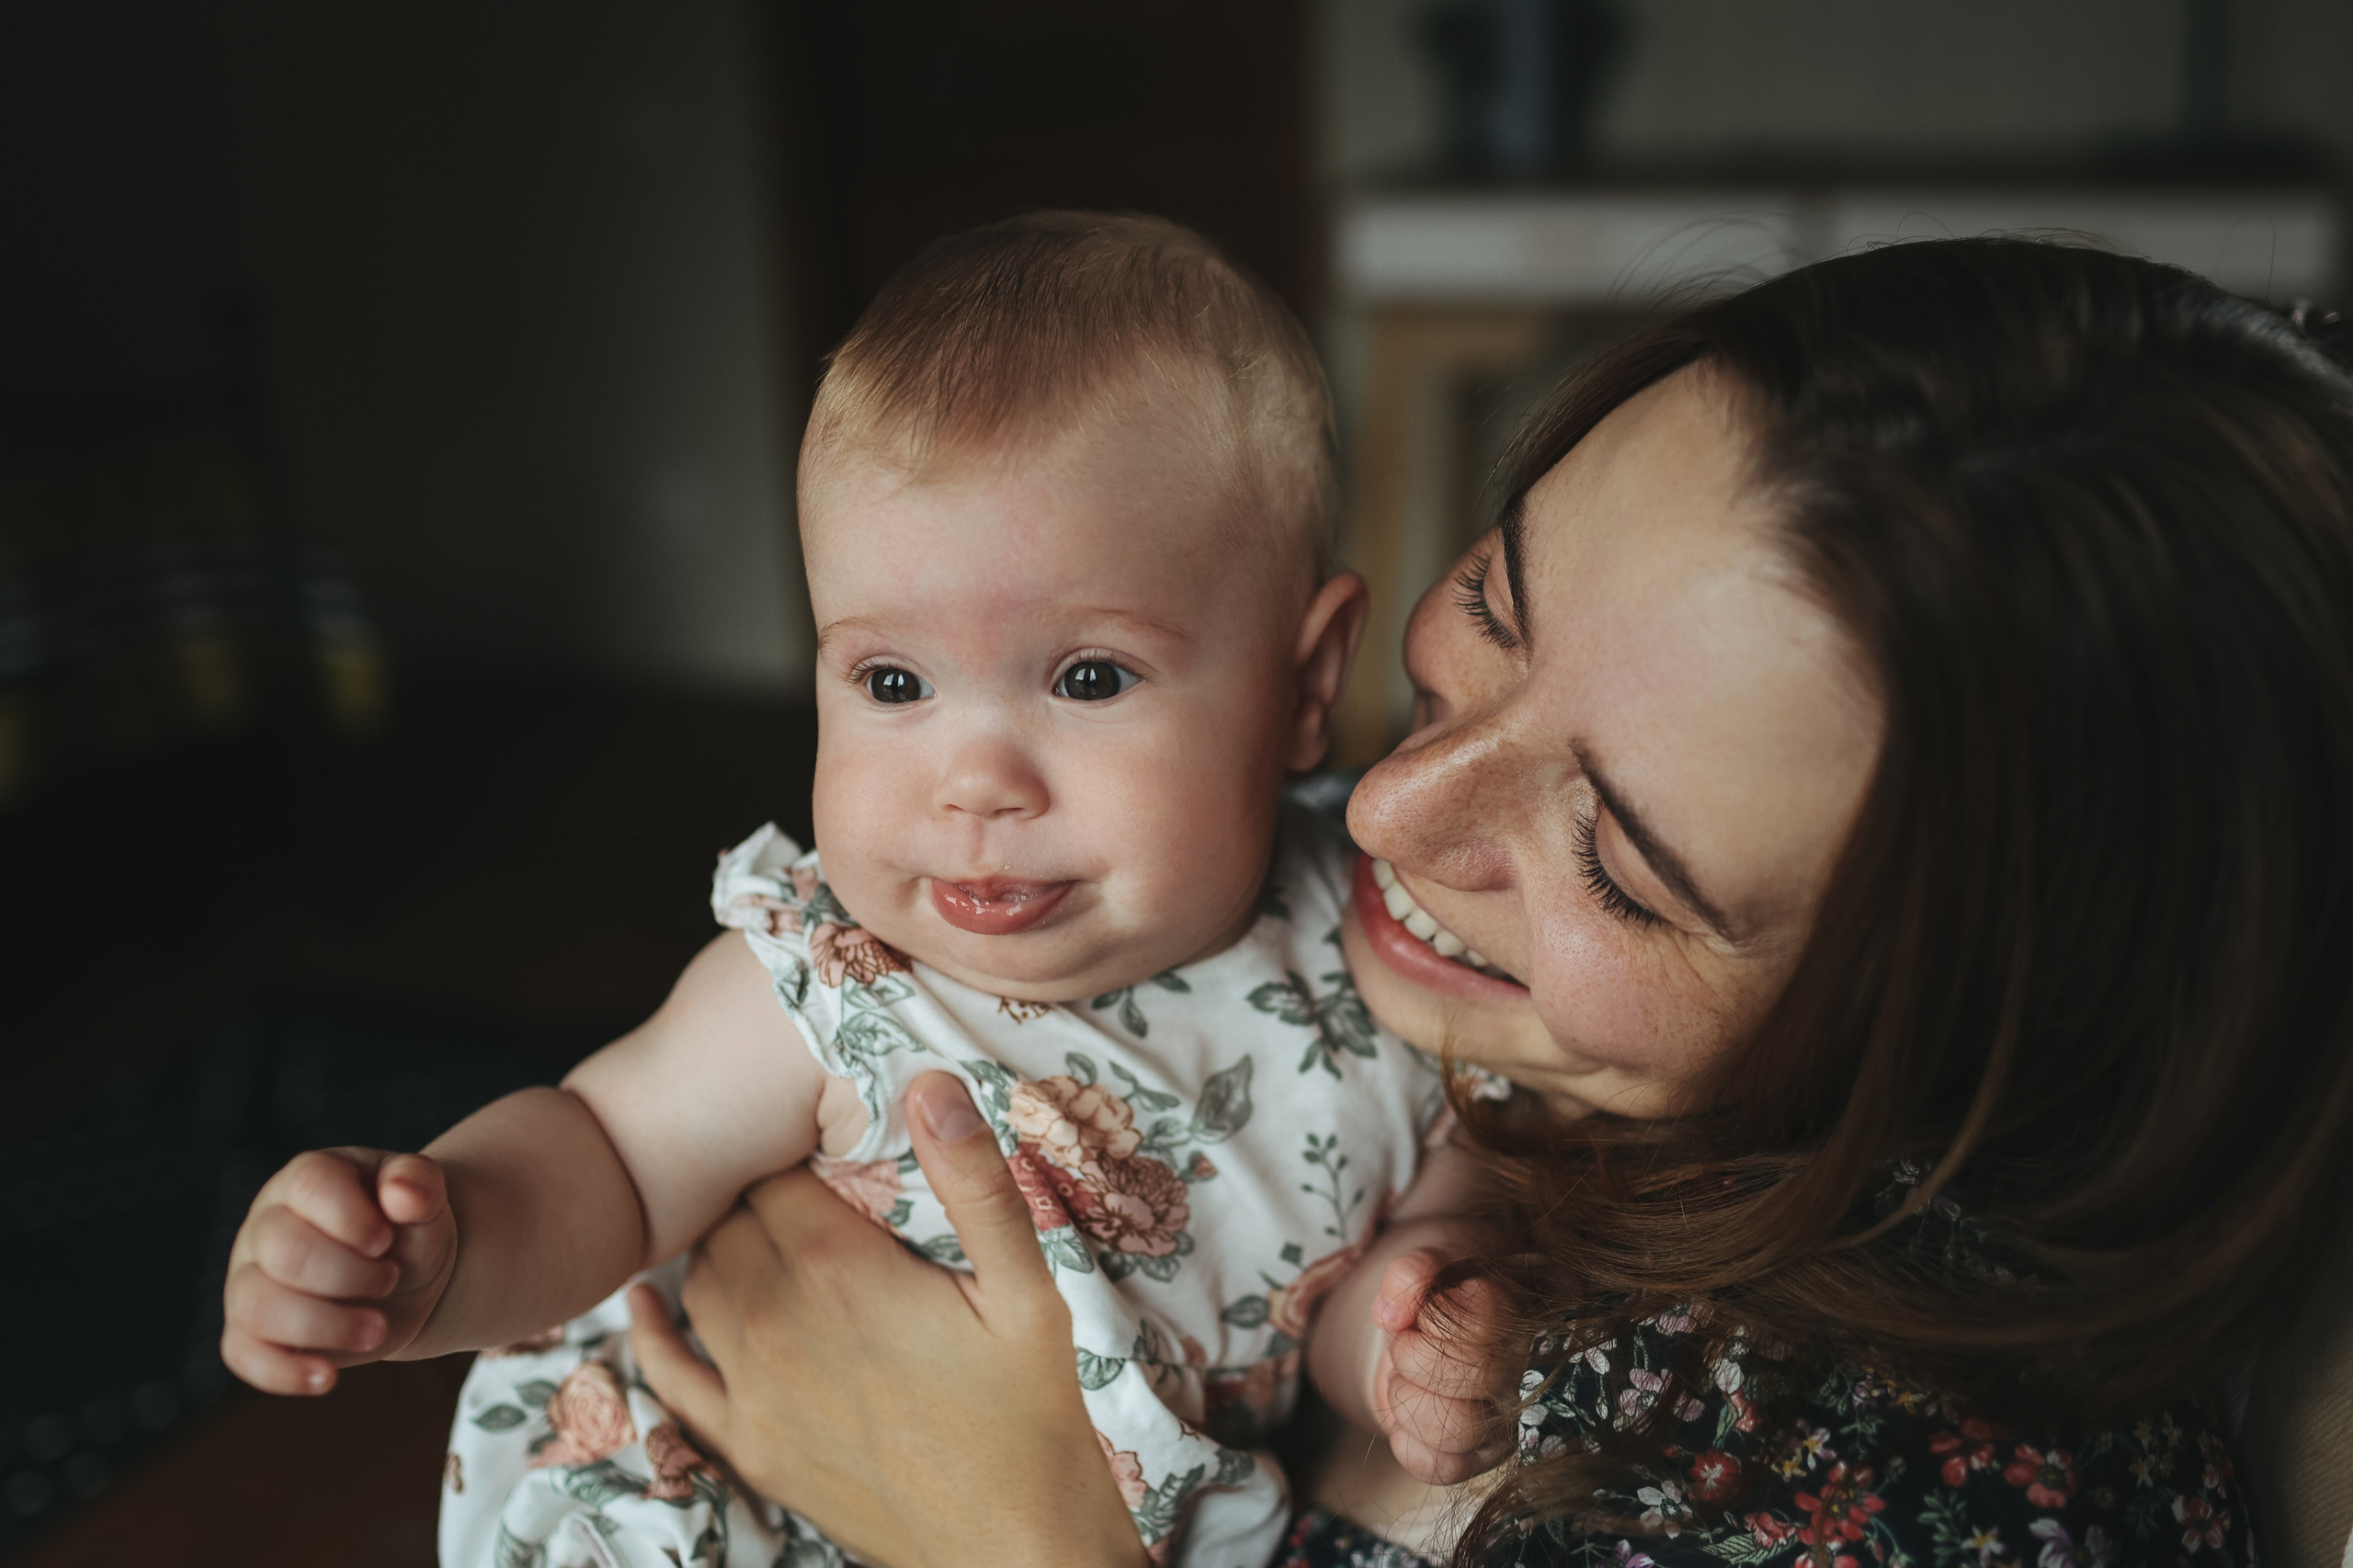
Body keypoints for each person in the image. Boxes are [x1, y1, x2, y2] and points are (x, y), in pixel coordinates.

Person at [618, 238, 2353, 1565]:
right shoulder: (1388, 987)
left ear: (1982, 1031)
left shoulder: (1923, 1494)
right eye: (1490, 618)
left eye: (1620, 860)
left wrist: (1027, 1534)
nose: (1383, 804)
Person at [216, 212, 1527, 1568]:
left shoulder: (1380, 964)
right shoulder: (832, 978)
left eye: (1088, 678)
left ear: (1306, 684)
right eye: (892, 682)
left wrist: (1415, 1342)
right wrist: (438, 1245)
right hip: (737, 1505)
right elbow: (605, 1157)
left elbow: (1402, 1243)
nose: (973, 784)